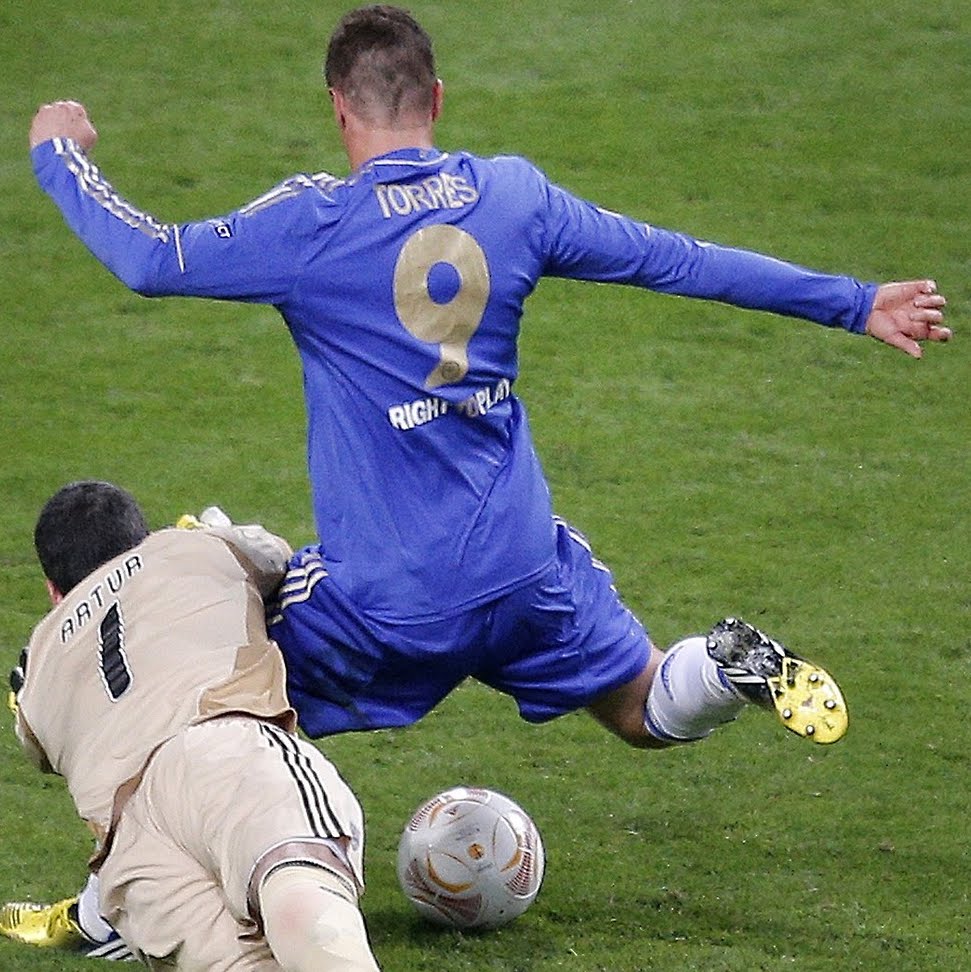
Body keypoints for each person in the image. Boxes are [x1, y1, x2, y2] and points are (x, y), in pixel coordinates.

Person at [14, 2, 950, 952]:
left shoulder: (313, 223)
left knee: (195, 698)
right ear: (437, 99)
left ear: (337, 107)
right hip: (523, 570)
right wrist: (855, 302)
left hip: (383, 605)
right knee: (643, 707)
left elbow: (151, 258)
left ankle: (106, 913)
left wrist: (59, 154)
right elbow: (676, 260)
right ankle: (720, 663)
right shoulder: (513, 197)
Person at [8, 481, 381, 971]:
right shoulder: (190, 549)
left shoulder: (36, 667)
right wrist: (204, 537)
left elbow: (35, 745)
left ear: (53, 592)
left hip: (134, 858)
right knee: (306, 912)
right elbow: (275, 556)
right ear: (140, 538)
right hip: (220, 751)